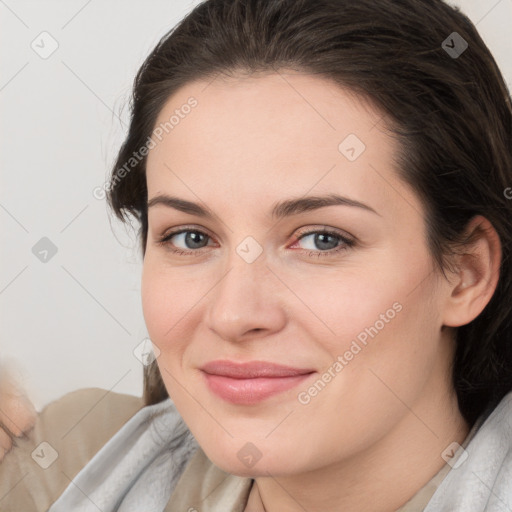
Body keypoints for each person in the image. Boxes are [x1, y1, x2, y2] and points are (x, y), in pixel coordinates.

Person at [2, 0, 512, 510]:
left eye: (321, 239)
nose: (234, 314)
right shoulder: (68, 464)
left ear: (467, 274)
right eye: (191, 238)